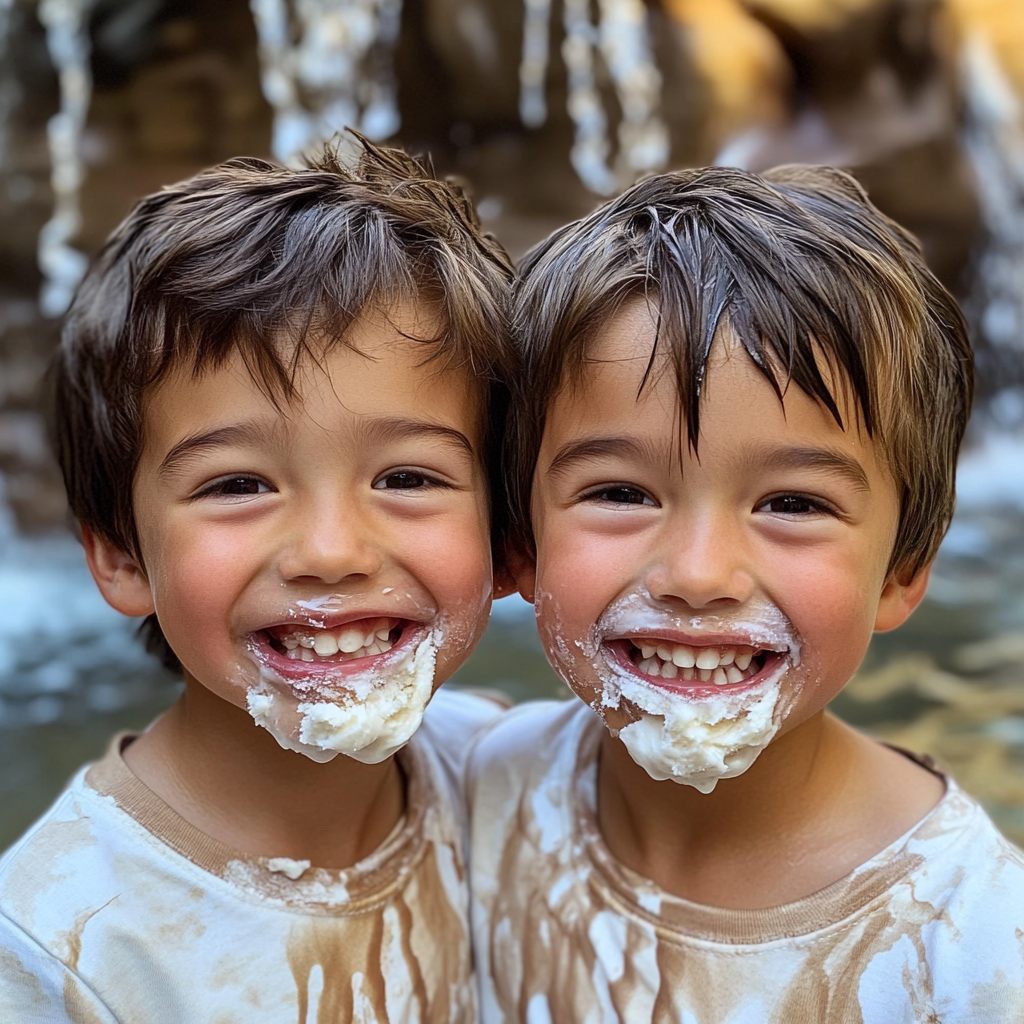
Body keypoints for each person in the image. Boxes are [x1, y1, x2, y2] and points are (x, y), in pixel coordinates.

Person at [469, 165, 1024, 1021]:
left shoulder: (979, 944)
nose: (697, 575)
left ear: (905, 569)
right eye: (621, 493)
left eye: (792, 505)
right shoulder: (466, 792)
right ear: (519, 545)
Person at [0, 137, 515, 1022]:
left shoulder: (506, 779)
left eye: (406, 478)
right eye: (238, 485)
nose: (329, 550)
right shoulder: (57, 945)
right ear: (122, 555)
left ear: (510, 534)